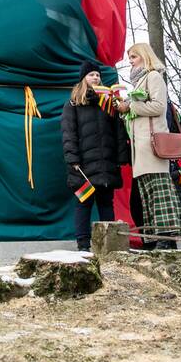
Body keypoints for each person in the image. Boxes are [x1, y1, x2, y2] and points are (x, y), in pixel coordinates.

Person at [118, 42, 181, 249]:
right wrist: (126, 111)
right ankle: (157, 238)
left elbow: (158, 106)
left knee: (160, 193)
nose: (131, 62)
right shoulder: (139, 82)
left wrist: (131, 106)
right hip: (141, 148)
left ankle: (167, 238)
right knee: (148, 196)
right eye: (129, 59)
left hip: (153, 145)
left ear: (145, 57)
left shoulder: (154, 76)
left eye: (134, 57)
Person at [62, 60, 130, 251]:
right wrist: (73, 159)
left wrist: (121, 157)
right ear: (84, 78)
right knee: (84, 202)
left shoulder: (108, 104)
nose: (96, 78)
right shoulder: (73, 104)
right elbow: (68, 134)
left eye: (98, 75)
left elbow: (118, 131)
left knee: (106, 203)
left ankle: (110, 244)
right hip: (83, 165)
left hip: (106, 162)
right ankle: (83, 244)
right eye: (92, 75)